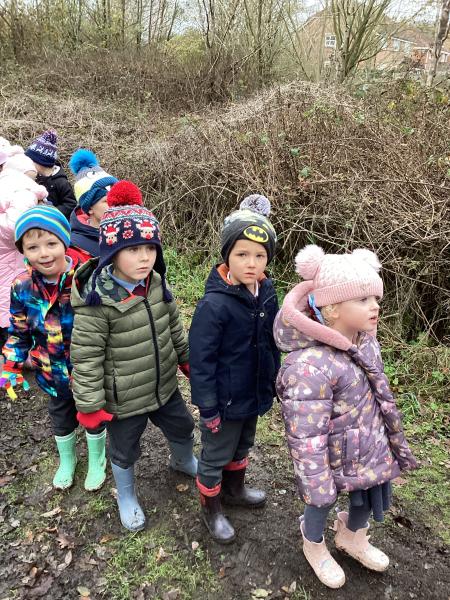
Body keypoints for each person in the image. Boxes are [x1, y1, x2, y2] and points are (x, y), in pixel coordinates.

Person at [274, 244, 417, 589]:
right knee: (320, 503)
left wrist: (387, 441)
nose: (375, 306)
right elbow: (306, 437)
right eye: (363, 299)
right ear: (333, 308)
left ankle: (352, 535)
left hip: (368, 444)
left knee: (367, 495)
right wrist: (315, 479)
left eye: (375, 298)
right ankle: (313, 542)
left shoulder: (365, 342)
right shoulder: (309, 366)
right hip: (329, 456)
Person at [70, 180, 196, 533]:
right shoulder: (97, 301)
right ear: (112, 252)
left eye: (150, 248)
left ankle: (183, 460)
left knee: (183, 426)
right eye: (134, 249)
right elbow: (86, 357)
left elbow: (173, 326)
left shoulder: (156, 283)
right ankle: (126, 495)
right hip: (123, 397)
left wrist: (187, 359)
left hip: (164, 384)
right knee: (124, 449)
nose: (144, 258)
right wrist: (90, 404)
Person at [189, 194, 280, 544]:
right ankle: (211, 508)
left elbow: (272, 340)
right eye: (242, 254)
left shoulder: (266, 292)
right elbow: (202, 361)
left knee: (243, 443)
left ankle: (235, 490)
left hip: (252, 392)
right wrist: (208, 407)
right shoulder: (214, 305)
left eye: (260, 255)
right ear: (227, 255)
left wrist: (274, 380)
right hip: (224, 401)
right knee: (215, 454)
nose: (251, 263)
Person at [0, 205, 108, 492]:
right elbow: (19, 331)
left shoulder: (85, 279)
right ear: (23, 251)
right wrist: (10, 365)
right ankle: (68, 459)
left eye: (51, 243)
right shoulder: (21, 287)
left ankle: (97, 459)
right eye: (33, 247)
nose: (44, 254)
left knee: (93, 415)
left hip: (87, 370)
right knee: (61, 418)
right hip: (51, 371)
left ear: (65, 242)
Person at [0, 155, 48, 350]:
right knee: (13, 309)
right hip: (14, 264)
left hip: (8, 261)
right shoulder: (24, 192)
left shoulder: (6, 189)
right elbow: (14, 229)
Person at [68, 149, 118, 263]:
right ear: (90, 208)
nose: (115, 205)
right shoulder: (75, 245)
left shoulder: (128, 231)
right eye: (106, 201)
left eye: (116, 198)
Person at [25, 130, 76, 219]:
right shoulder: (35, 177)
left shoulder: (61, 182)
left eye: (31, 161)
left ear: (40, 162)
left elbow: (71, 204)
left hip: (55, 222)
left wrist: (52, 212)